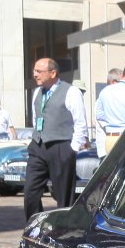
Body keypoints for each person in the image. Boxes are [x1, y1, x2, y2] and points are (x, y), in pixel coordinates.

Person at [25, 58, 89, 218]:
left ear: (53, 73)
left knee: (63, 194)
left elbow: (80, 122)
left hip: (61, 146)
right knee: (30, 191)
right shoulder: (37, 92)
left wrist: (72, 148)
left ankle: (64, 226)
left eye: (39, 71)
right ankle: (34, 225)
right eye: (34, 71)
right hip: (38, 145)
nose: (35, 74)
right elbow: (36, 118)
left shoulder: (71, 92)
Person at [93, 62, 125, 156]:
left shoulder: (105, 91)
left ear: (122, 75)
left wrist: (110, 125)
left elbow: (99, 115)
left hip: (110, 139)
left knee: (111, 165)